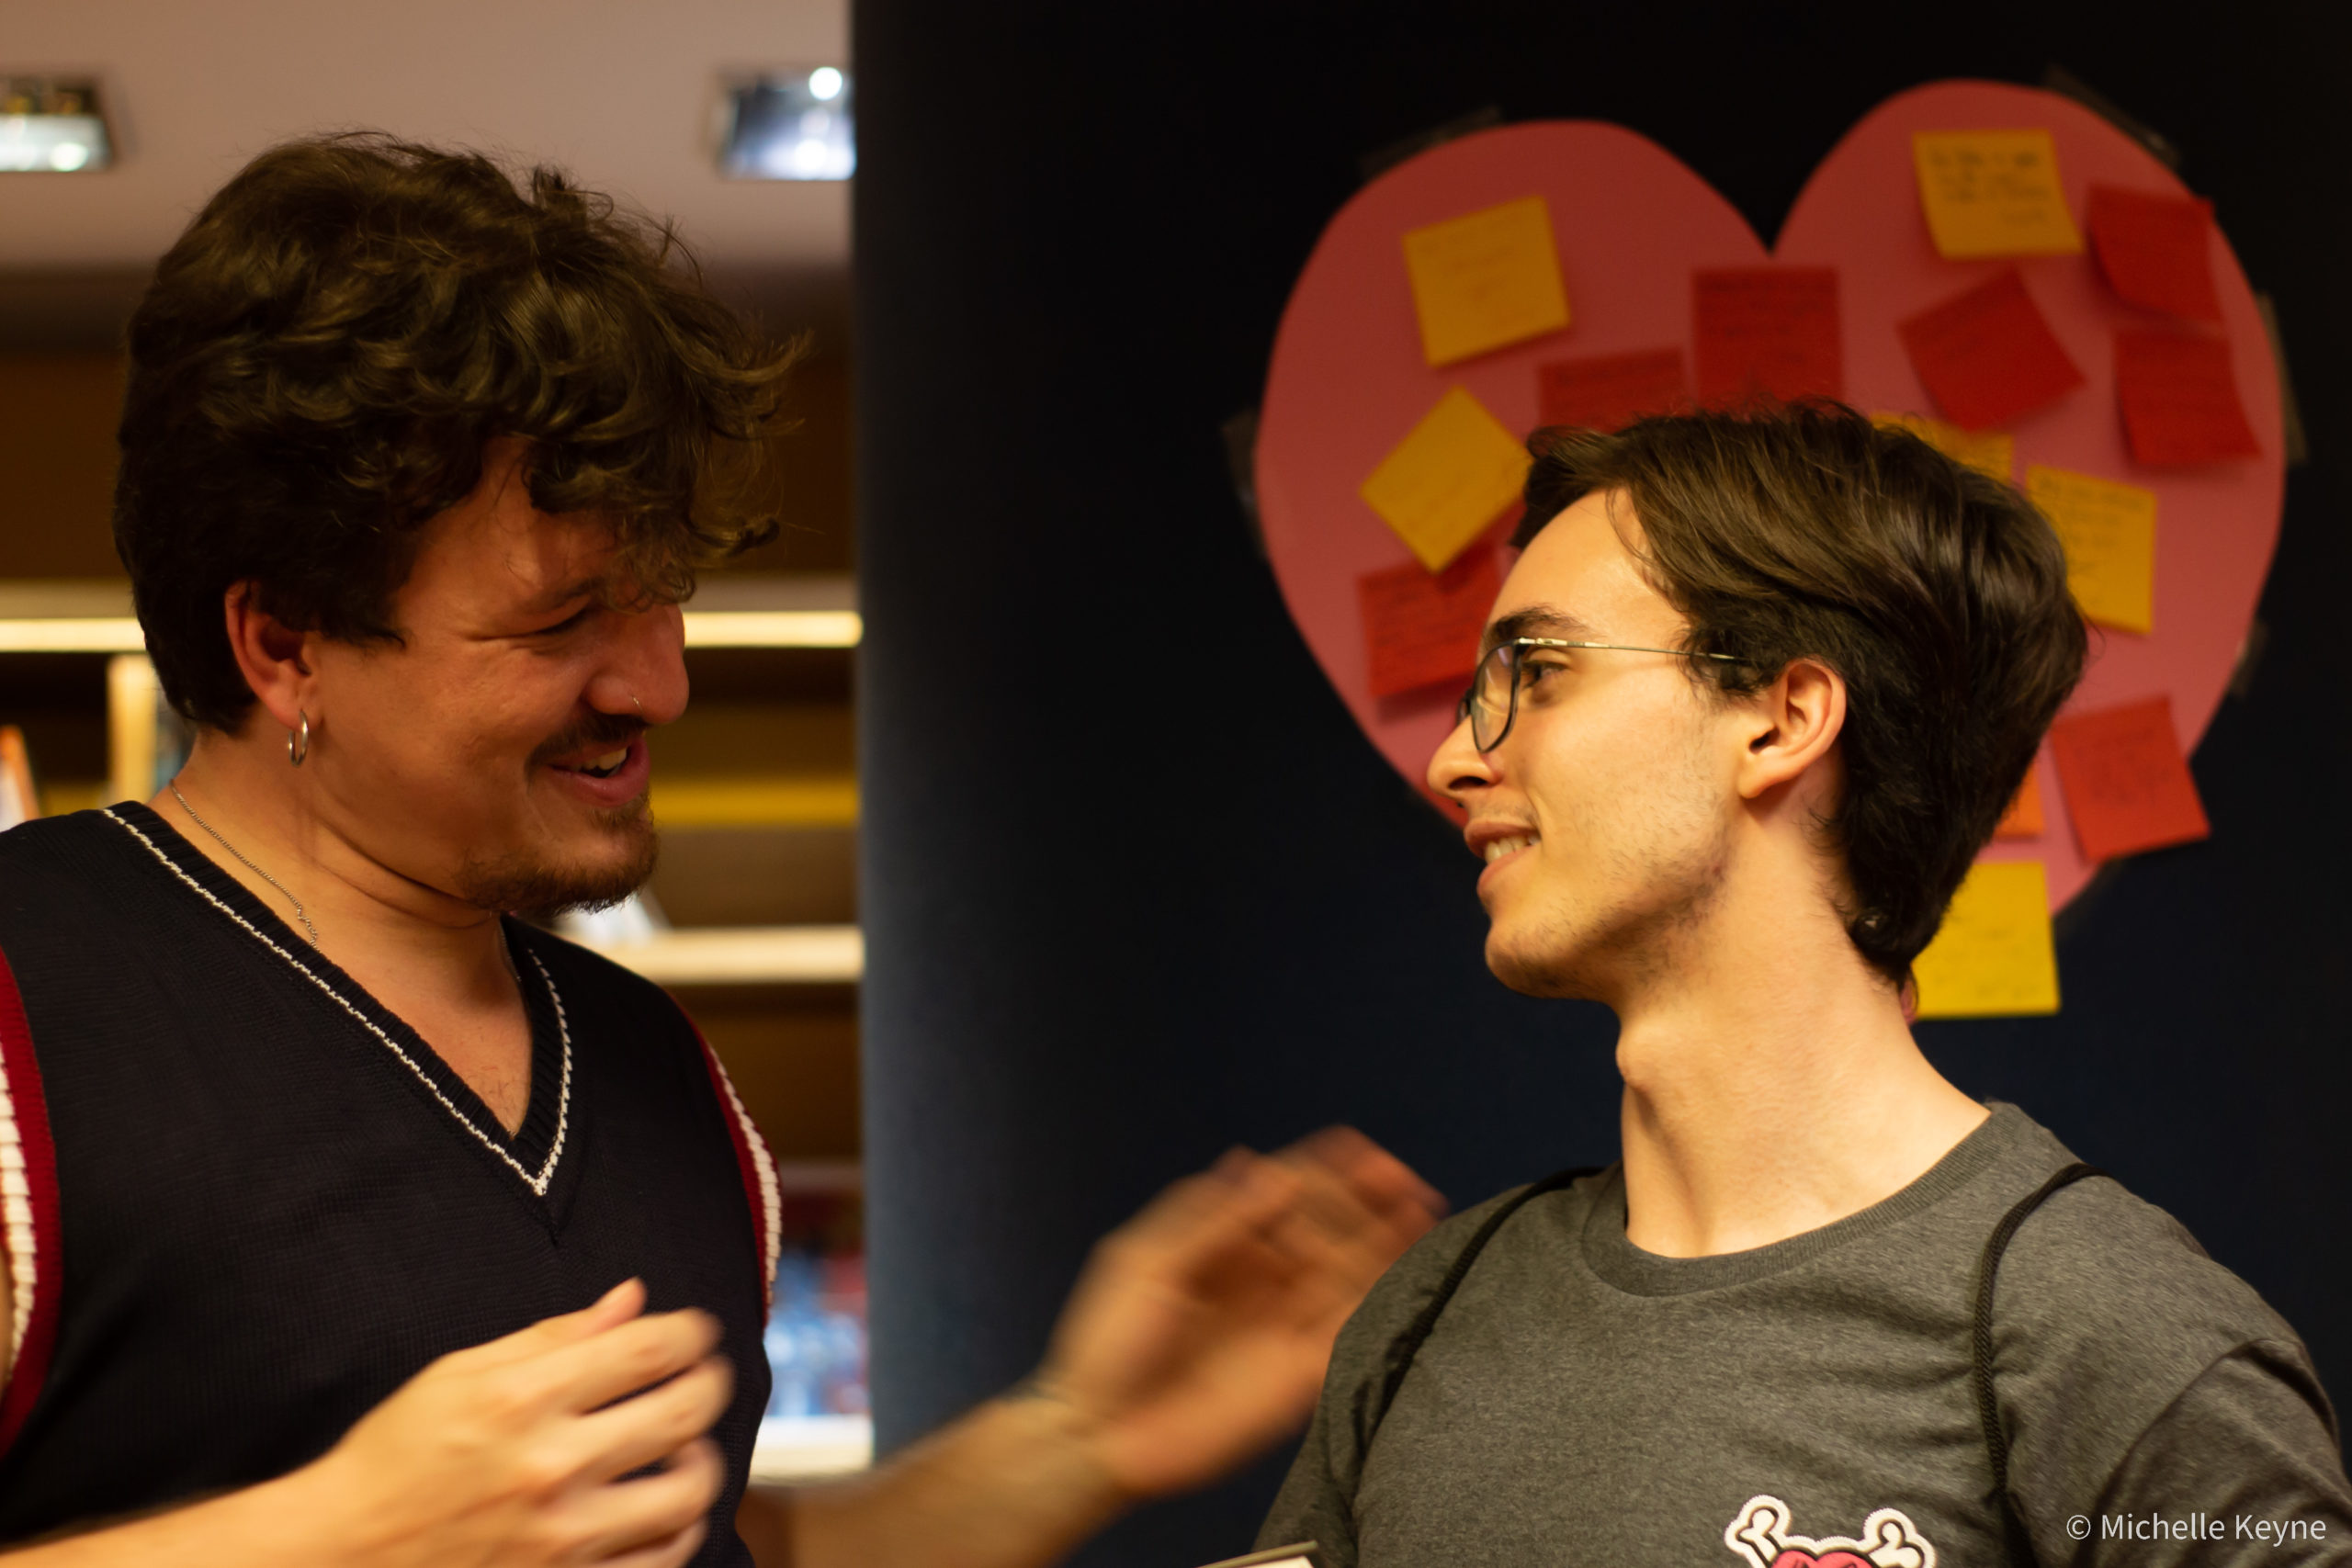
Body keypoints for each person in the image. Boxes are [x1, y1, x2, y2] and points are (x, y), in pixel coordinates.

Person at [0, 135, 1443, 1567]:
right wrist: (349, 1531)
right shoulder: (29, 1014)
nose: (659, 684)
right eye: (561, 620)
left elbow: (739, 1550)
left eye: (664, 595)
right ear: (283, 643)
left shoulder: (660, 1071)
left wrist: (1081, 1432)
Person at [1259, 405, 2352, 1566]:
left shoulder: (2120, 1351)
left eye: (1538, 671)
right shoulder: (1428, 1313)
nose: (1454, 761)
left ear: (1781, 720)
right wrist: (1109, 1450)